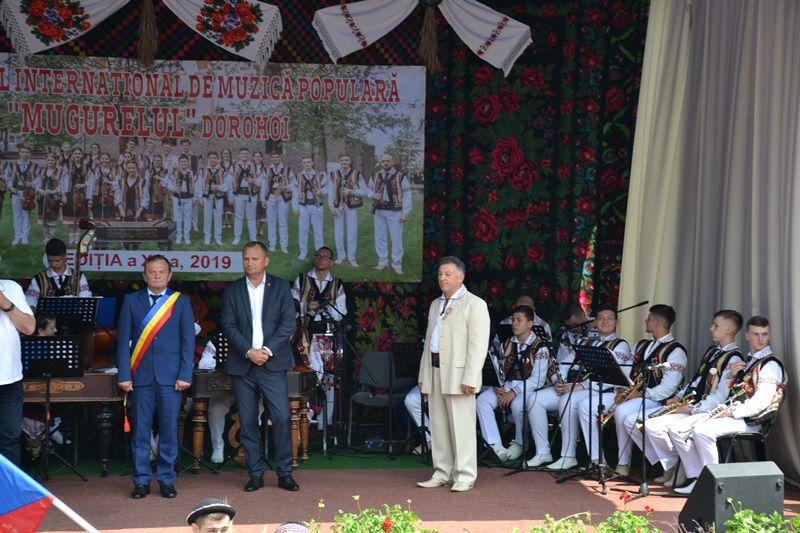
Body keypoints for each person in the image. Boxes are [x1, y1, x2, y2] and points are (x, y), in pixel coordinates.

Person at [670, 315, 784, 495]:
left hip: (750, 420)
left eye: (764, 334)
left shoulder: (770, 365)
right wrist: (733, 376)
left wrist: (731, 412)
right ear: (747, 336)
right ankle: (696, 477)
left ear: (769, 335)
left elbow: (761, 402)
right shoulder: (748, 362)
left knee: (702, 431)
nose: (761, 339)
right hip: (733, 415)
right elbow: (734, 392)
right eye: (756, 334)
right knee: (678, 428)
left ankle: (712, 483)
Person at [628, 310, 743, 487]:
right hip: (692, 403)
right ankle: (674, 465)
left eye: (716, 326)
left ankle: (690, 474)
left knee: (659, 427)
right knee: (643, 424)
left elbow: (720, 396)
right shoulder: (712, 351)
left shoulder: (734, 358)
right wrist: (679, 397)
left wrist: (691, 409)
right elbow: (696, 381)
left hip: (705, 410)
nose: (711, 328)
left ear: (729, 330)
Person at [220, 241, 299, 492]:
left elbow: (288, 323)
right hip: (243, 364)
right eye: (246, 258)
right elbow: (228, 325)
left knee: (282, 417)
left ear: (266, 261)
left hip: (272, 362)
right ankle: (255, 473)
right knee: (247, 420)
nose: (249, 263)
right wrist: (248, 351)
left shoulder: (281, 287)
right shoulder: (232, 290)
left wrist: (266, 351)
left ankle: (285, 473)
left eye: (254, 259)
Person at [116, 255, 194, 499]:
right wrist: (124, 374)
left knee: (169, 431)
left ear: (169, 275)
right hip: (140, 377)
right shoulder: (131, 301)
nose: (157, 275)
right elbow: (123, 341)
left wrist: (185, 374)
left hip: (171, 379)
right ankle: (141, 481)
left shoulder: (180, 301)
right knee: (141, 431)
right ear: (144, 275)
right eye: (152, 271)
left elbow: (188, 341)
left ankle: (166, 479)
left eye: (162, 271)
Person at [417, 256, 490, 492]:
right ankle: (442, 471)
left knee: (462, 426)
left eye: (448, 274)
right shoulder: (435, 304)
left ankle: (465, 475)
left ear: (461, 276)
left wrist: (471, 377)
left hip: (458, 374)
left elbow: (478, 346)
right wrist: (423, 375)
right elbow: (429, 342)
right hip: (435, 369)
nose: (442, 278)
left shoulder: (474, 304)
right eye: (440, 274)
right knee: (439, 426)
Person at [601, 304, 687, 476]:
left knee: (623, 412)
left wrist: (641, 394)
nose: (645, 321)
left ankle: (629, 462)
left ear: (656, 323)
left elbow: (668, 388)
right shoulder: (641, 344)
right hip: (638, 395)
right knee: (623, 413)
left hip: (658, 399)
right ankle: (659, 463)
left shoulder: (676, 351)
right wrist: (622, 388)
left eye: (649, 318)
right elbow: (627, 370)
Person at [546, 305, 631, 471]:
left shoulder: (620, 345)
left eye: (609, 319)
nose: (605, 322)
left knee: (579, 403)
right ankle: (568, 455)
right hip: (589, 389)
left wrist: (580, 385)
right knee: (566, 400)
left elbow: (614, 378)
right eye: (600, 318)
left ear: (617, 322)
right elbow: (565, 362)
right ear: (595, 322)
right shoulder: (588, 341)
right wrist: (560, 379)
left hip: (607, 391)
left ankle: (597, 460)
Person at [476, 305, 550, 463]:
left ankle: (520, 443)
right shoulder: (508, 343)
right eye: (513, 320)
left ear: (530, 324)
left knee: (517, 404)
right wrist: (496, 384)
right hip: (507, 385)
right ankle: (495, 445)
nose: (514, 323)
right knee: (482, 400)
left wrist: (514, 391)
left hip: (530, 388)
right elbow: (496, 365)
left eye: (519, 320)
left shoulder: (540, 346)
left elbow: (538, 380)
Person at [291, 246, 347, 429]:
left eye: (326, 257)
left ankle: (325, 424)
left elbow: (341, 313)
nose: (322, 259)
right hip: (306, 335)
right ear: (314, 259)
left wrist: (326, 307)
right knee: (307, 375)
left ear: (331, 262)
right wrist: (307, 306)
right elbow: (292, 306)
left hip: (328, 337)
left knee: (328, 377)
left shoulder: (337, 284)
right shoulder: (302, 279)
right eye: (319, 256)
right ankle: (304, 420)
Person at [0, 278, 36, 465]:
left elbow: (29, 328)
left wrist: (4, 302)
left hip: (9, 379)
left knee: (10, 438)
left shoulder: (11, 288)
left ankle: (9, 484)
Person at [24, 238, 92, 310]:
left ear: (65, 256)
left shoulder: (79, 277)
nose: (53, 264)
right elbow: (30, 301)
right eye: (50, 260)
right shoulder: (38, 279)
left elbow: (86, 300)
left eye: (57, 261)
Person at [371, 154, 411, 274]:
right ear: (380, 162)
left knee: (396, 238)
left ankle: (397, 264)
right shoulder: (375, 175)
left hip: (395, 211)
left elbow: (407, 194)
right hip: (379, 210)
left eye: (388, 161)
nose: (385, 163)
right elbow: (368, 188)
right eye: (383, 161)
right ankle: (382, 262)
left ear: (392, 162)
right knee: (380, 237)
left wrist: (405, 212)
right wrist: (372, 194)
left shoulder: (400, 176)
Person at [329, 153, 367, 266]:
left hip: (351, 206)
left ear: (350, 161)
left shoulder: (357, 174)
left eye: (346, 160)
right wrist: (331, 207)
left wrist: (351, 191)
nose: (344, 162)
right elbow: (330, 192)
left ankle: (351, 258)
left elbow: (364, 191)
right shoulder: (333, 174)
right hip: (338, 206)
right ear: (339, 162)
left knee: (352, 232)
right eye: (342, 160)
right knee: (338, 232)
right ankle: (341, 256)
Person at [7, 146, 38, 246]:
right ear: (19, 153)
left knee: (26, 214)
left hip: (27, 193)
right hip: (16, 192)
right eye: (23, 152)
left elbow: (38, 179)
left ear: (30, 154)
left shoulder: (34, 165)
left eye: (27, 152)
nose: (25, 154)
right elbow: (8, 177)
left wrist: (32, 183)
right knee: (17, 215)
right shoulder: (12, 165)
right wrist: (10, 187)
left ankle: (25, 236)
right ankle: (17, 236)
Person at [296, 156, 325, 261]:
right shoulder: (298, 176)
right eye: (304, 162)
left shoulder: (319, 175)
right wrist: (296, 207)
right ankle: (303, 252)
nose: (307, 164)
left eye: (308, 162)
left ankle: (320, 252)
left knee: (318, 230)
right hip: (303, 205)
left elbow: (327, 187)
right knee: (303, 230)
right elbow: (295, 191)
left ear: (312, 163)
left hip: (316, 205)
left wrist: (321, 191)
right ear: (302, 164)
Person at [264, 151, 294, 253]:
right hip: (271, 196)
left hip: (282, 197)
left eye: (277, 156)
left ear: (280, 158)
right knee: (271, 221)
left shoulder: (287, 169)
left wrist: (286, 187)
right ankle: (272, 244)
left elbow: (294, 184)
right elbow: (264, 185)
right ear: (271, 158)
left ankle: (284, 246)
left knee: (283, 221)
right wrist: (263, 199)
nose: (275, 158)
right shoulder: (266, 169)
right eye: (273, 157)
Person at [199, 152, 229, 246]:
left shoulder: (222, 171)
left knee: (218, 217)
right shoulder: (203, 170)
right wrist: (200, 198)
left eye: (214, 158)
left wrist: (218, 187)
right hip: (207, 197)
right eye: (211, 157)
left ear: (217, 159)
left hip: (218, 197)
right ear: (208, 159)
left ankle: (218, 237)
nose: (212, 159)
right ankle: (207, 237)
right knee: (207, 217)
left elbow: (227, 185)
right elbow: (199, 185)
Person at [231, 148, 258, 246]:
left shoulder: (254, 166)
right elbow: (230, 180)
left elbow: (260, 180)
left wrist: (253, 181)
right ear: (239, 155)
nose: (244, 155)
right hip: (239, 194)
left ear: (249, 155)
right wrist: (231, 196)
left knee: (251, 217)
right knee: (238, 217)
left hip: (251, 194)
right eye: (242, 153)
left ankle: (253, 238)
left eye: (246, 153)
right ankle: (237, 237)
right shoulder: (234, 165)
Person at [171, 154, 195, 244]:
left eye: (185, 161)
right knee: (178, 217)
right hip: (177, 197)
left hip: (188, 197)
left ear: (188, 163)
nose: (183, 163)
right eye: (181, 162)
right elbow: (171, 183)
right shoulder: (175, 173)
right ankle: (179, 235)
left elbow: (193, 185)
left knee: (187, 216)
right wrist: (174, 189)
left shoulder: (190, 173)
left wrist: (193, 197)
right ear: (179, 163)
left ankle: (187, 236)